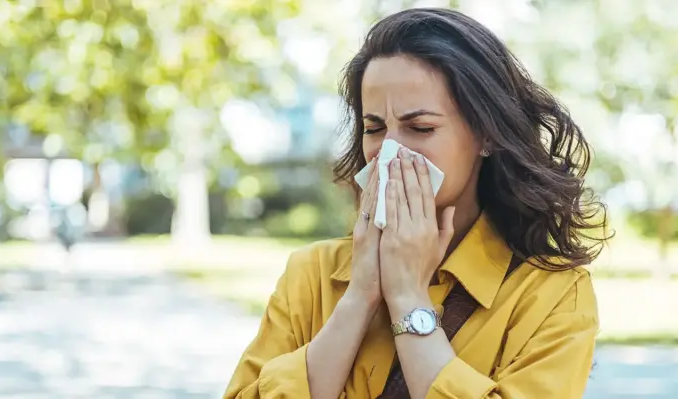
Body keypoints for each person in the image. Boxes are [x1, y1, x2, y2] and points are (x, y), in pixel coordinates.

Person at [224, 8, 609, 399]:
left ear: (486, 136)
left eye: (420, 128)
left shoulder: (552, 293)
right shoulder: (312, 274)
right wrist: (359, 297)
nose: (389, 150)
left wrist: (409, 299)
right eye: (374, 128)